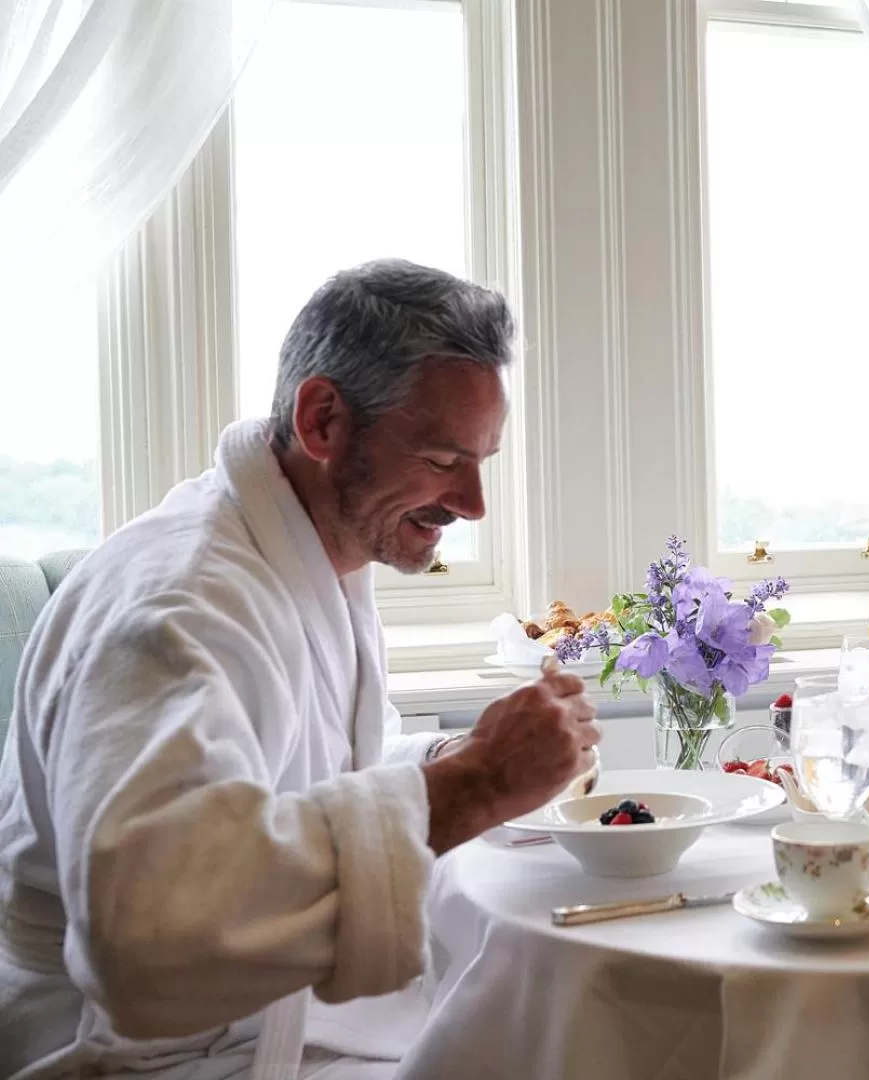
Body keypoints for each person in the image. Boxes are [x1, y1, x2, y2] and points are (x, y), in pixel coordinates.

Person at [0, 259, 602, 1079]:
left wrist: (459, 761)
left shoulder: (313, 556)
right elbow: (149, 932)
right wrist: (473, 788)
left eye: (480, 462)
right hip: (148, 1057)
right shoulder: (178, 609)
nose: (472, 504)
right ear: (323, 421)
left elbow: (301, 779)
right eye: (440, 459)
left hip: (265, 1030)